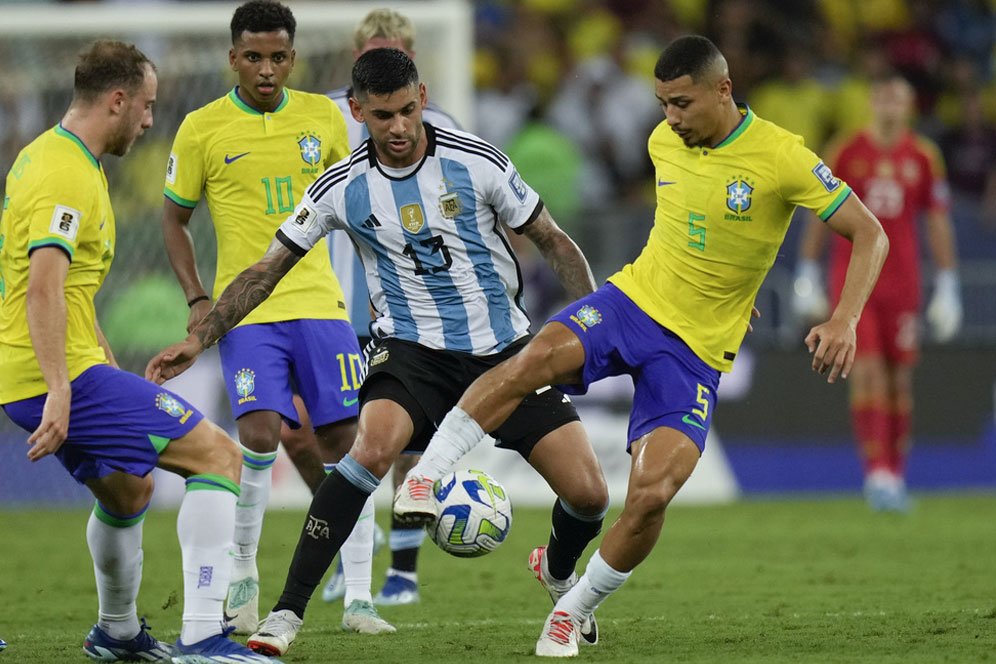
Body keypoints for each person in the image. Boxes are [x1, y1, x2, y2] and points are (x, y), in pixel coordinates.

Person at [394, 35, 890, 658]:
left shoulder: (782, 157)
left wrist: (843, 319)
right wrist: (730, 281)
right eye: (661, 104)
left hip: (695, 354)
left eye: (682, 103)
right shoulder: (663, 142)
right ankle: (428, 477)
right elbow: (697, 232)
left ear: (723, 90)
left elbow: (870, 234)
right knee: (535, 355)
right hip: (632, 303)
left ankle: (569, 609)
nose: (670, 118)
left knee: (652, 494)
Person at [146, 47, 610, 658]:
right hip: (411, 351)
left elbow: (552, 241)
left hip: (504, 352)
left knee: (590, 495)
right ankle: (285, 613)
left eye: (406, 112)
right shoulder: (341, 188)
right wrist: (201, 335)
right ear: (358, 112)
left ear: (421, 98)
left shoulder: (479, 162)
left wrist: (592, 328)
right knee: (369, 451)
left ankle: (555, 570)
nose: (397, 128)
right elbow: (266, 272)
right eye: (381, 116)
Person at [0, 40, 272, 663]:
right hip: (51, 375)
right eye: (146, 106)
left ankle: (117, 632)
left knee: (129, 491)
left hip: (50, 368)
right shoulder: (65, 173)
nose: (151, 120)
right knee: (219, 457)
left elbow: (70, 287)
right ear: (117, 100)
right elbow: (41, 288)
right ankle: (204, 635)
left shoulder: (51, 157)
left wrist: (101, 362)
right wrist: (66, 390)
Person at [161, 0, 392, 636]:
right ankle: (242, 571)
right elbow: (174, 218)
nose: (267, 69)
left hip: (322, 306)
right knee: (259, 434)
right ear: (233, 58)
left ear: (294, 58)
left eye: (278, 57)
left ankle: (360, 599)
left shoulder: (324, 117)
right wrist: (197, 299)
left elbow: (357, 209)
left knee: (349, 445)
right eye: (254, 57)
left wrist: (380, 287)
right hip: (250, 312)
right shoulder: (201, 128)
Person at [314, 6, 464, 609]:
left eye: (394, 49)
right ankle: (353, 548)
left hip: (411, 310)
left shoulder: (442, 126)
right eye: (372, 50)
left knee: (404, 443)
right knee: (334, 438)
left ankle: (401, 569)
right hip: (333, 304)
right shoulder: (322, 117)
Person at [793, 74, 960, 512]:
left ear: (909, 107)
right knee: (866, 373)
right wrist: (807, 270)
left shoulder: (924, 157)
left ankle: (896, 473)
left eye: (897, 100)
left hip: (904, 284)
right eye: (882, 99)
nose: (889, 107)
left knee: (899, 380)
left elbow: (937, 219)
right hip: (853, 282)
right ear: (872, 103)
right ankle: (877, 476)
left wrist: (949, 283)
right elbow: (818, 212)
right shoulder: (847, 150)